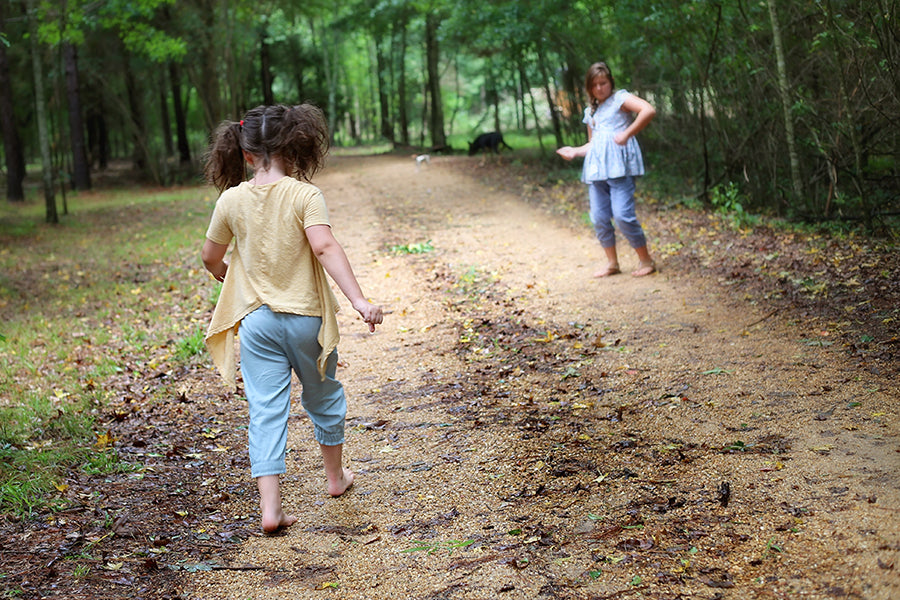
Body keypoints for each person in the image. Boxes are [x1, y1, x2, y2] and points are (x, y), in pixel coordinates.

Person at [200, 103, 383, 534]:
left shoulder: (231, 199)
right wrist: (357, 299)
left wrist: (232, 278)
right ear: (292, 144)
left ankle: (271, 510)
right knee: (323, 396)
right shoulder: (304, 194)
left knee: (265, 410)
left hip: (258, 323)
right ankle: (336, 479)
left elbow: (210, 257)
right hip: (305, 319)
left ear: (245, 154)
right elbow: (324, 247)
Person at [557, 62, 657, 277]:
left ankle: (645, 260)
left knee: (622, 215)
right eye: (595, 85)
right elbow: (593, 144)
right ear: (589, 88)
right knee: (599, 218)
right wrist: (574, 151)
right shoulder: (590, 111)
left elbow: (648, 110)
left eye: (603, 83)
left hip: (619, 170)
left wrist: (627, 133)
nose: (600, 88)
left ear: (610, 82)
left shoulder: (620, 99)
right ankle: (612, 263)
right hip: (596, 171)